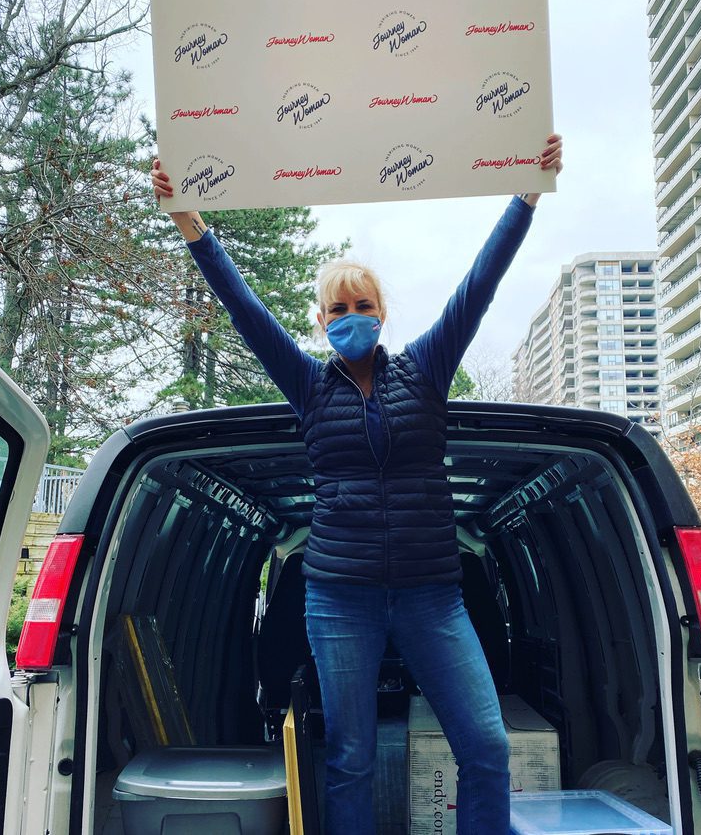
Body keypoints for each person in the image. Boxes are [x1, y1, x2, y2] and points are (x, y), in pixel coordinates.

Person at [151, 133, 563, 835]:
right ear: (320, 322)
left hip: (434, 598)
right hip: (339, 600)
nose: (350, 318)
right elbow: (245, 312)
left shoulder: (428, 369)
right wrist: (192, 228)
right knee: (350, 757)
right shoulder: (309, 387)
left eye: (361, 305)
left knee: (487, 747)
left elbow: (479, 286)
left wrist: (526, 195)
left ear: (382, 313)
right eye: (336, 310)